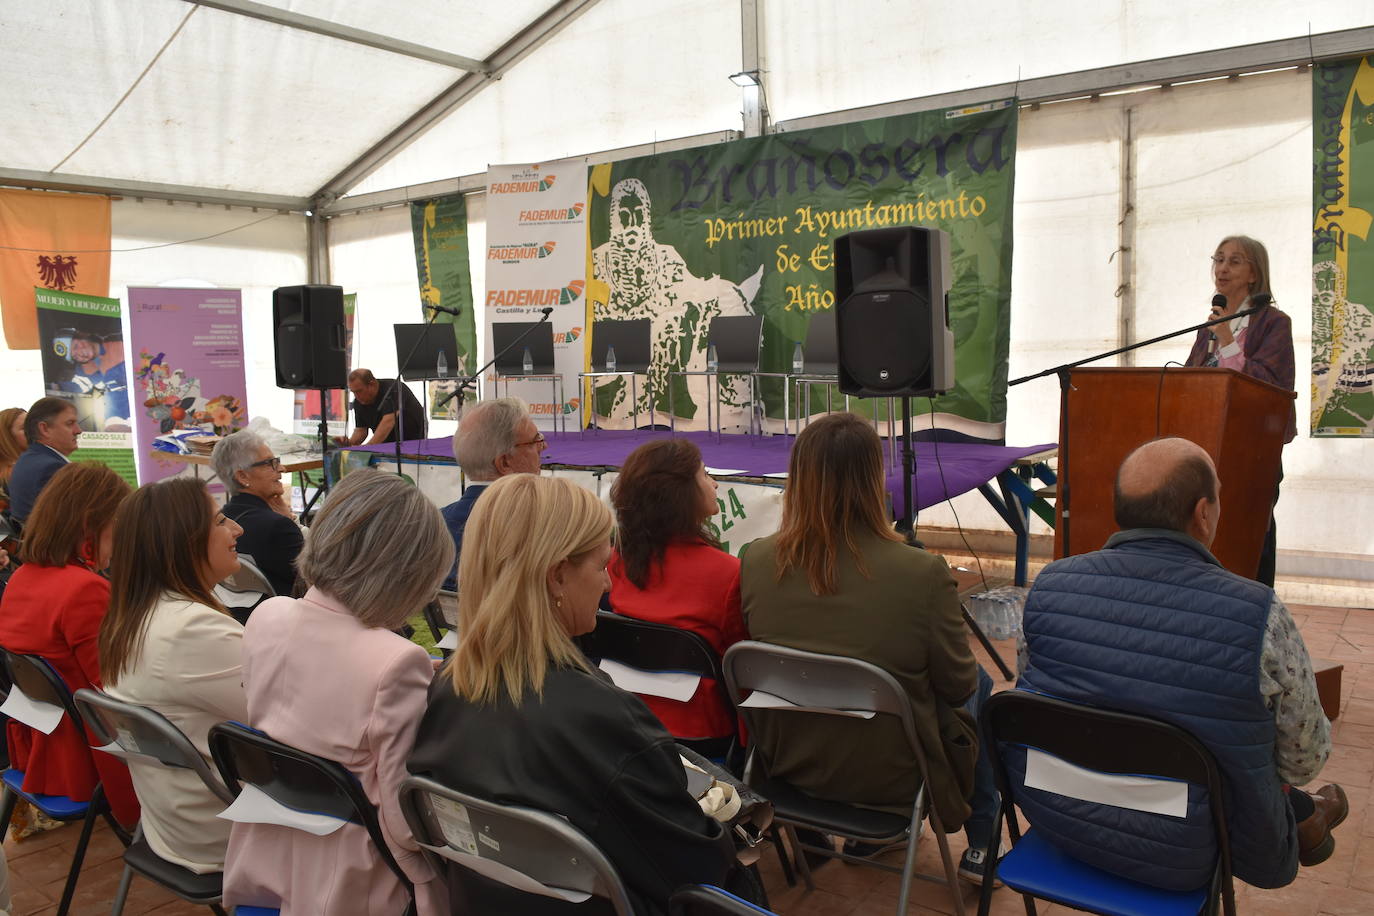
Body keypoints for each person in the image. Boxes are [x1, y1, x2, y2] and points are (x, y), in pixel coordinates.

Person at [1016, 437, 1343, 891]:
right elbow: (1303, 759)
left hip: (1060, 818)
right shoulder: (1257, 612)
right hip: (1195, 844)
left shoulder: (1047, 588)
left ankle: (1308, 816)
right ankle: (1307, 817)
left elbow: (1034, 700)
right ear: (1203, 512)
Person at [408, 474, 736, 916]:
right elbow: (698, 871)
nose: (608, 585)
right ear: (557, 576)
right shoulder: (602, 720)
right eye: (602, 566)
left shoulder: (446, 690)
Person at [738, 412, 999, 883]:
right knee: (979, 681)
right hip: (894, 776)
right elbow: (957, 685)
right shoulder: (921, 573)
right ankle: (983, 841)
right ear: (875, 479)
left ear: (797, 479)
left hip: (790, 765)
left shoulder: (756, 559)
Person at [223, 469, 450, 915]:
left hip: (269, 853)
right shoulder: (397, 662)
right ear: (408, 574)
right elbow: (406, 825)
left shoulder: (268, 616)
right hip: (355, 880)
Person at [98, 477, 249, 874]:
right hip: (221, 827)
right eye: (220, 521)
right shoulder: (190, 629)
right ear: (184, 541)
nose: (237, 529)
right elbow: (286, 719)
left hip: (173, 817)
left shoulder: (134, 614)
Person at [0, 463, 139, 827]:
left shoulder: (22, 577)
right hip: (89, 753)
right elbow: (114, 688)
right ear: (92, 523)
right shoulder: (83, 589)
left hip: (44, 742)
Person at [607, 438, 744, 744]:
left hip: (626, 719)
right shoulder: (726, 573)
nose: (716, 484)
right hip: (704, 731)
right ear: (682, 494)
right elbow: (741, 667)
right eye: (706, 474)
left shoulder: (616, 562)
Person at [1184, 235, 1294, 587]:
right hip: (1205, 445)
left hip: (1253, 449)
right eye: (1218, 259)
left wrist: (1229, 340)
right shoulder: (1210, 324)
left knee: (1251, 535)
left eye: (1234, 261)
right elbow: (1189, 380)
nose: (1222, 268)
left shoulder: (1274, 323)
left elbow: (1272, 387)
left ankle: (1255, 606)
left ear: (1253, 273)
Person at [441, 397, 545, 590]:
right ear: (504, 463)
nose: (543, 447)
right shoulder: (544, 527)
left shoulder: (433, 527)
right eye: (535, 441)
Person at [211, 430, 303, 599]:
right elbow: (323, 580)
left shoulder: (221, 523)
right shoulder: (277, 528)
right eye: (270, 463)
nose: (282, 469)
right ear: (242, 476)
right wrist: (292, 522)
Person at [8, 397, 81, 523]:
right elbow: (72, 524)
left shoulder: (27, 461)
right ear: (44, 429)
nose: (78, 431)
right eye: (70, 423)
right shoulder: (52, 469)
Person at [336, 369, 426, 446]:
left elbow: (388, 422)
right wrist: (348, 442)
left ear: (372, 384)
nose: (356, 396)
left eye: (359, 391)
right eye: (353, 392)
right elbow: (361, 431)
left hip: (413, 440)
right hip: (386, 443)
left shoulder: (393, 389)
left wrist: (368, 448)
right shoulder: (358, 402)